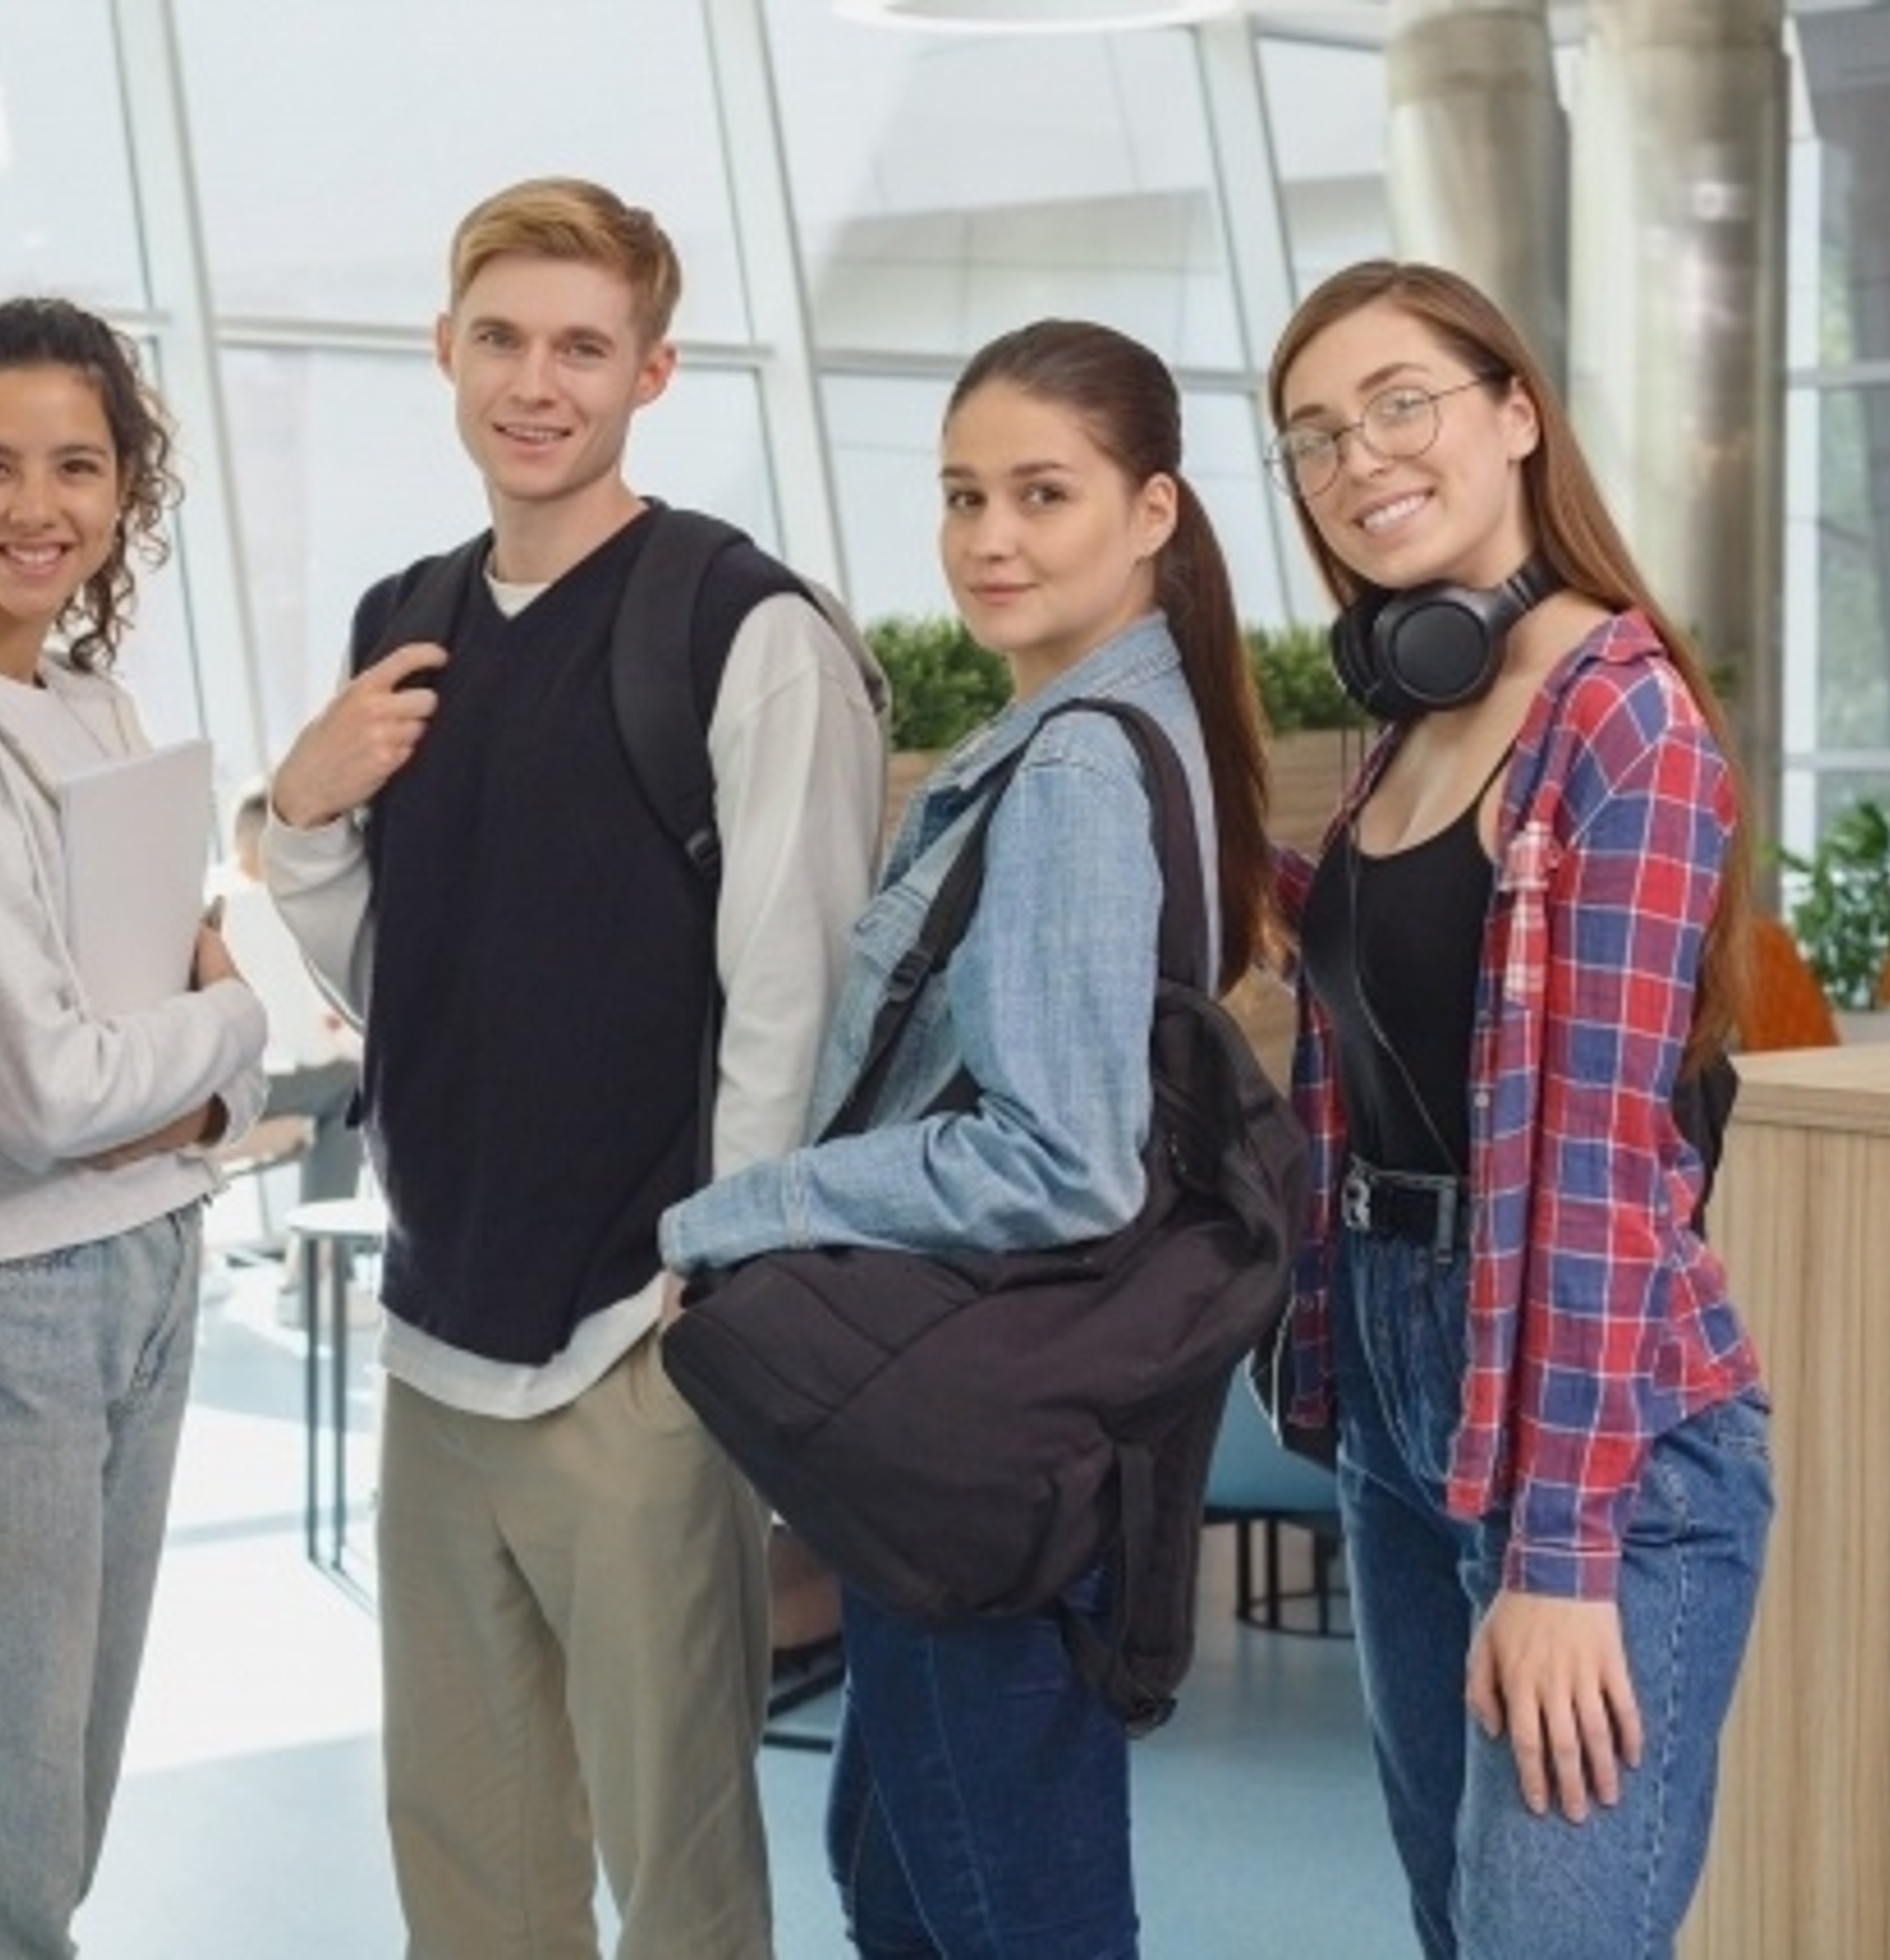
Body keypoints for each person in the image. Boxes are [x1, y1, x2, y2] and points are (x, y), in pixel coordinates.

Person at [260, 175, 887, 1958]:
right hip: (431, 1326)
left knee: (675, 1864)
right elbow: (397, 973)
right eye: (502, 341)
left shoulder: (740, 628)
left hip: (637, 1340)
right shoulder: (407, 618)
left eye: (581, 348)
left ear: (652, 371)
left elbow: (796, 987)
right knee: (464, 1857)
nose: (536, 384)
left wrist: (722, 1277)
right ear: (444, 354)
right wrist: (300, 812)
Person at [663, 318, 1274, 1959]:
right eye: (962, 496)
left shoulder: (1075, 766)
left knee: (994, 1917)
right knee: (907, 1882)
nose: (991, 540)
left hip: (981, 1434)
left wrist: (747, 1206)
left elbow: (1062, 1160)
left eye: (1043, 495)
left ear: (1151, 512)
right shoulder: (1128, 722)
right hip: (1030, 1419)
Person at [1258, 259, 1773, 1958]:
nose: (1360, 460)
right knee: (1459, 1926)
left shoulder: (1621, 724)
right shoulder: (1416, 716)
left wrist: (1561, 1556)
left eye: (1401, 401)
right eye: (1316, 436)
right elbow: (1405, 1004)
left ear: (1516, 415)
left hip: (1594, 1439)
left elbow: (1594, 1162)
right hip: (1415, 1406)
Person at [0, 295, 269, 1958]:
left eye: (78, 466)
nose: (38, 507)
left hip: (143, 1256)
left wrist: (172, 1085)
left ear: (126, 488)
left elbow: (122, 1066)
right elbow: (39, 1097)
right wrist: (233, 1031)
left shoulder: (88, 705)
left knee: (61, 1805)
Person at [213, 783, 364, 1210]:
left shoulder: (214, 895)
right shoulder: (261, 906)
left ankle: (317, 1249)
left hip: (199, 1086)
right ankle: (325, 1246)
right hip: (241, 1092)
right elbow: (308, 1046)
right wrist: (333, 1048)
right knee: (353, 1087)